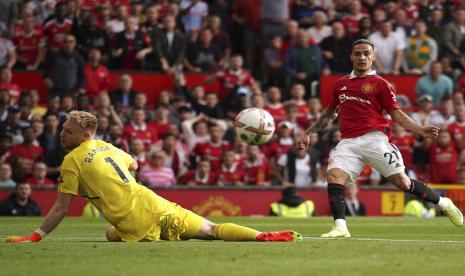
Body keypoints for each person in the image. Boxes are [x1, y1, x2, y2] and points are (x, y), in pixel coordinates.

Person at [6, 111, 301, 243]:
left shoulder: (71, 160)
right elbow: (133, 163)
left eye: (67, 131)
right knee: (211, 230)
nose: (61, 133)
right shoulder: (107, 146)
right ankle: (264, 236)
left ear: (82, 135)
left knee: (111, 234)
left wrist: (35, 236)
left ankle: (138, 233)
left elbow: (60, 207)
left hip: (133, 222)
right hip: (154, 203)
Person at [297, 39, 463, 238]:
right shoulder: (341, 84)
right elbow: (330, 114)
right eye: (357, 53)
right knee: (333, 177)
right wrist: (309, 132)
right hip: (348, 142)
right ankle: (340, 227)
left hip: (375, 139)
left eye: (366, 53)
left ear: (373, 57)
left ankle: (444, 203)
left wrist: (419, 129)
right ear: (351, 56)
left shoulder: (380, 84)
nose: (362, 57)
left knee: (403, 183)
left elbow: (397, 114)